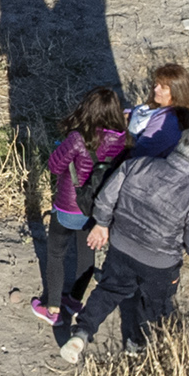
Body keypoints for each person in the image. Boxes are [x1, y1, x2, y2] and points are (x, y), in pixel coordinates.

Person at [60, 127, 189, 363]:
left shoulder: (138, 165)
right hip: (160, 264)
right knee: (154, 305)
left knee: (109, 290)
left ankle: (82, 333)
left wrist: (102, 224)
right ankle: (137, 345)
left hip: (121, 246)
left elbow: (106, 197)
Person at [37, 87, 130, 327]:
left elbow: (55, 166)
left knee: (56, 254)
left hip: (69, 206)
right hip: (100, 209)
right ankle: (74, 300)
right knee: (87, 254)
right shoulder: (124, 139)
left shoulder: (78, 138)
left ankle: (53, 309)